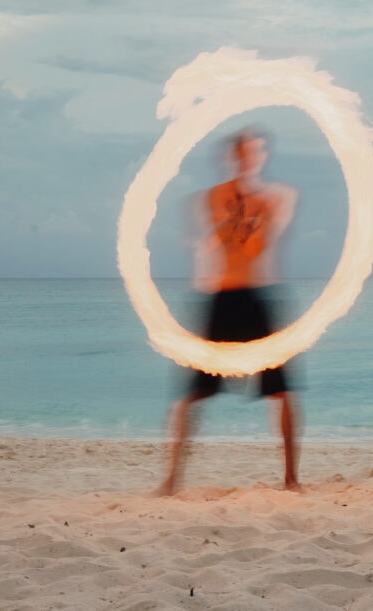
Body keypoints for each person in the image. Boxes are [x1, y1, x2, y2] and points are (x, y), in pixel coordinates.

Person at [157, 130, 301, 495]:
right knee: (194, 393)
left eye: (254, 152)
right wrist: (239, 215)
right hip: (221, 298)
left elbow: (256, 247)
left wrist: (254, 214)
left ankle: (291, 479)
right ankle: (172, 480)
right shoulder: (212, 198)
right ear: (230, 157)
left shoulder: (277, 198)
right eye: (241, 152)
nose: (247, 158)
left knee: (281, 392)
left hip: (259, 297)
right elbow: (222, 239)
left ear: (262, 156)